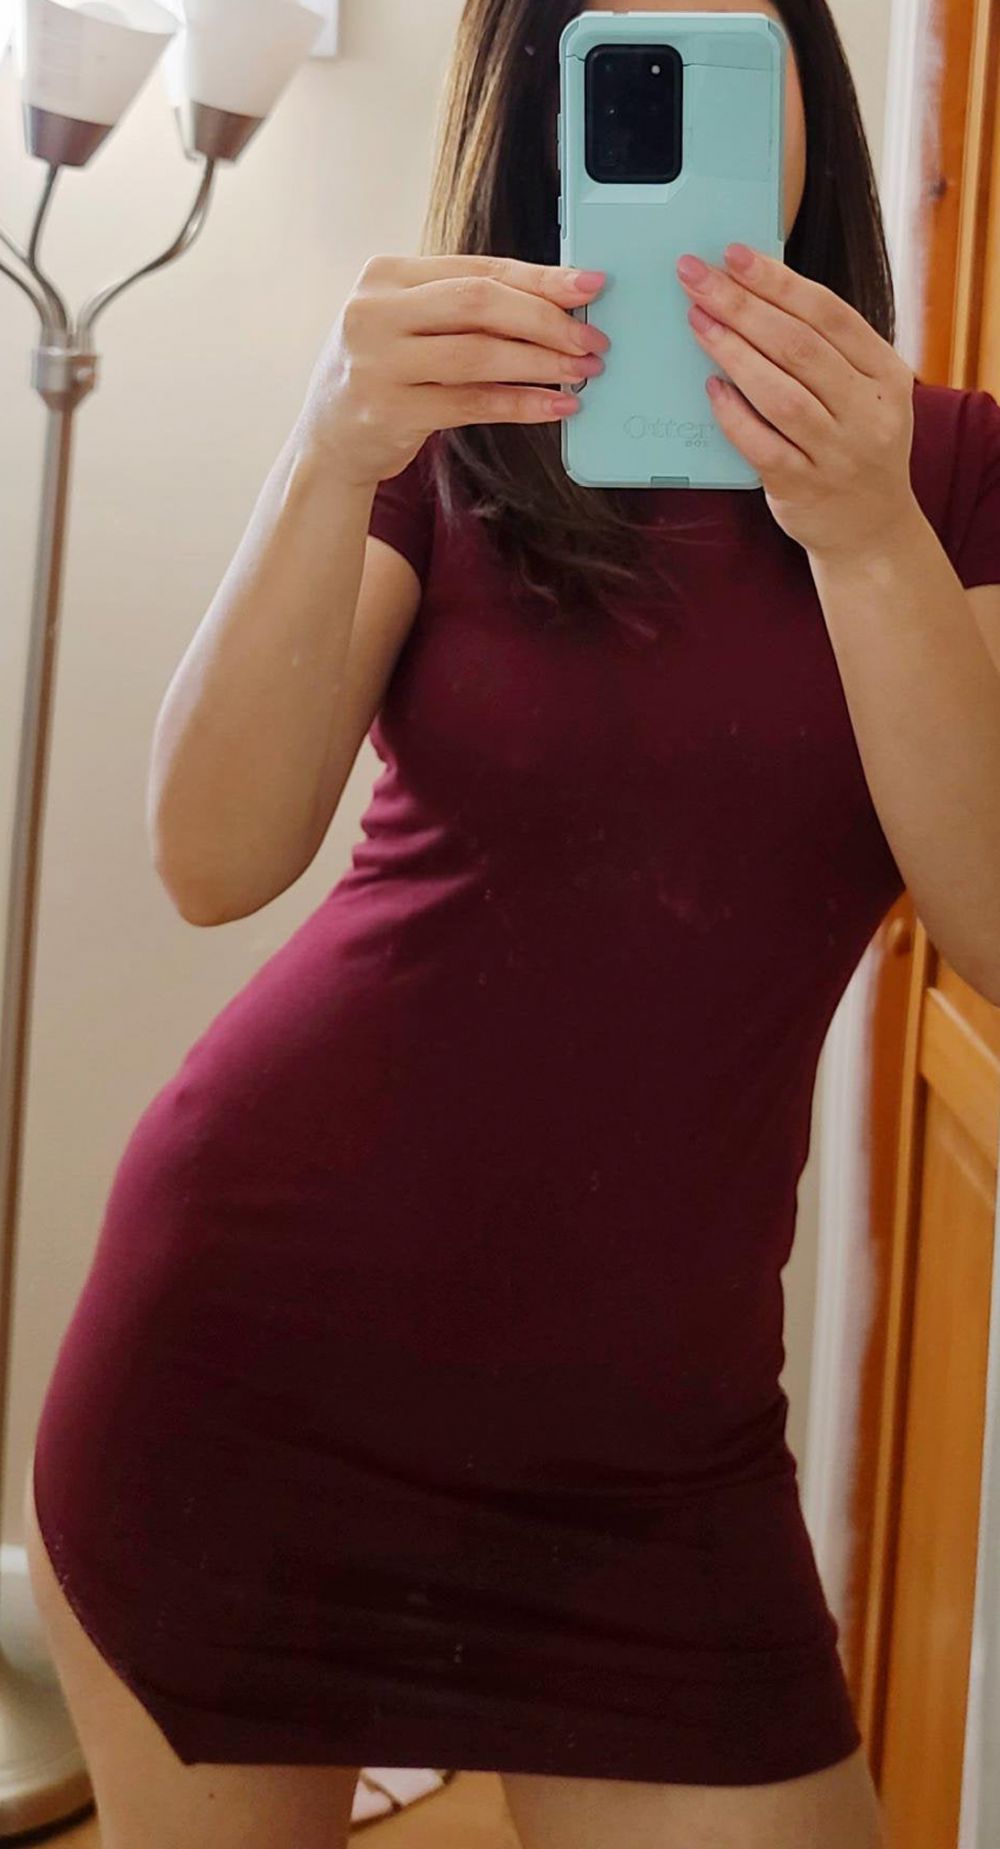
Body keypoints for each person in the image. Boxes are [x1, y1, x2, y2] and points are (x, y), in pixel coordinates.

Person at [24, 1, 1000, 1845]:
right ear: (545, 111)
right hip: (252, 1368)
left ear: (808, 83)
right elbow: (212, 856)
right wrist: (327, 446)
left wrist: (867, 535)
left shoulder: (952, 478)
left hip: (659, 1461)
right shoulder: (447, 437)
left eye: (728, 34)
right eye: (622, 42)